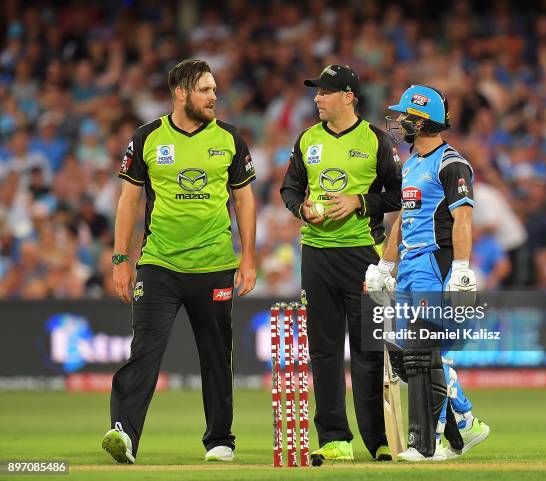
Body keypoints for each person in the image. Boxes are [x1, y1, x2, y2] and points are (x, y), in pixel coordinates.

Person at [102, 59, 257, 464]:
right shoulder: (147, 137)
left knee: (216, 354)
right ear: (181, 93)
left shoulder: (229, 138)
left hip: (215, 264)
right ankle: (124, 434)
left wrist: (249, 258)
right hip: (159, 265)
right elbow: (129, 200)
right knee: (145, 350)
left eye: (214, 90)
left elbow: (244, 198)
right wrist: (121, 258)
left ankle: (220, 440)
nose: (213, 97)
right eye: (205, 90)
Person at [280, 64, 402, 462]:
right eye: (316, 91)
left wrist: (360, 202)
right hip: (316, 254)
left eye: (326, 92)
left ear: (348, 96)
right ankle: (335, 438)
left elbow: (400, 194)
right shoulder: (307, 139)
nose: (317, 98)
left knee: (369, 350)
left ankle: (379, 438)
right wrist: (302, 209)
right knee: (324, 351)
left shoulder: (376, 141)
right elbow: (289, 187)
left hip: (363, 256)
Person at [365, 85, 490, 461]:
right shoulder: (412, 164)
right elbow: (403, 219)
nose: (398, 123)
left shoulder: (451, 163)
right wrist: (386, 264)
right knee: (405, 356)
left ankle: (426, 444)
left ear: (421, 121)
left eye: (405, 116)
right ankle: (464, 424)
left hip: (436, 262)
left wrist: (462, 269)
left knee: (422, 351)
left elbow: (463, 218)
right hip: (410, 263)